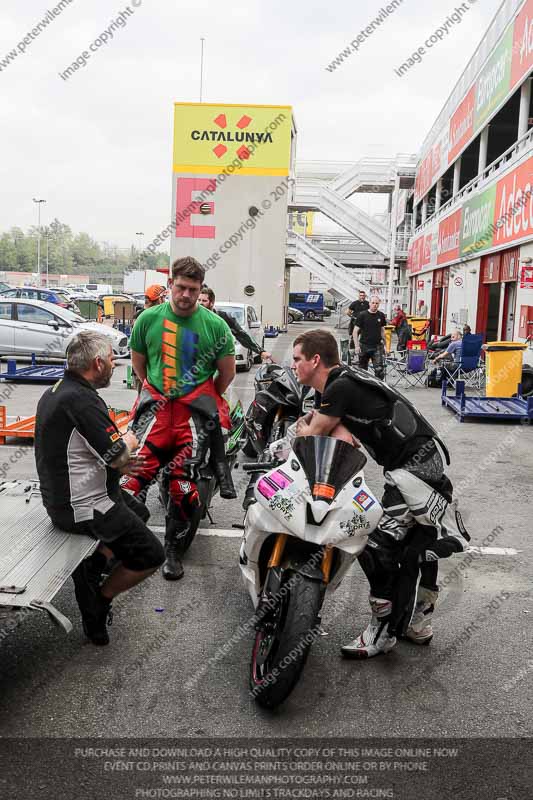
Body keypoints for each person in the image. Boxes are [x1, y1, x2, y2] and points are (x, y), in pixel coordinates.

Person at [292, 329, 469, 660]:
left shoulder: (338, 388)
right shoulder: (345, 382)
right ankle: (417, 623)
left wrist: (306, 429)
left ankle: (383, 631)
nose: (294, 366)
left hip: (414, 469)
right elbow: (347, 437)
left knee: (375, 542)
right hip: (420, 461)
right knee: (419, 542)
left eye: (297, 359)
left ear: (315, 360)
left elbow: (313, 438)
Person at [34, 332, 165, 646]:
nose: (115, 362)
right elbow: (119, 457)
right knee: (151, 555)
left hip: (73, 496)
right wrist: (136, 430)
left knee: (140, 511)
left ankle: (92, 566)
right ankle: (98, 600)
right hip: (83, 506)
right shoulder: (81, 400)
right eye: (111, 358)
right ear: (97, 363)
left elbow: (98, 447)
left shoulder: (60, 390)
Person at [123, 257, 236, 581]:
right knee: (128, 484)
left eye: (193, 289)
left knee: (184, 491)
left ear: (201, 289)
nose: (186, 294)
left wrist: (200, 398)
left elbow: (226, 375)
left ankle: (173, 551)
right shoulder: (148, 319)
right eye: (182, 287)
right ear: (171, 283)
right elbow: (140, 367)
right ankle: (131, 545)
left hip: (190, 421)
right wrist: (158, 392)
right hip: (155, 416)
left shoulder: (216, 326)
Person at [198, 287, 272, 362]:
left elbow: (241, 335)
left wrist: (261, 351)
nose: (200, 303)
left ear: (211, 303)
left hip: (215, 360)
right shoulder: (192, 316)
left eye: (204, 301)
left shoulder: (222, 317)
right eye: (199, 300)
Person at [352, 295, 387, 379]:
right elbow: (355, 331)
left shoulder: (381, 315)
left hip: (377, 346)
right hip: (364, 346)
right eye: (373, 303)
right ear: (369, 303)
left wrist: (385, 346)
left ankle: (378, 388)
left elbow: (382, 331)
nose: (374, 305)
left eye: (376, 303)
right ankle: (363, 389)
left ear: (379, 304)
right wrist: (356, 346)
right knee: (362, 371)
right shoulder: (362, 315)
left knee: (379, 370)